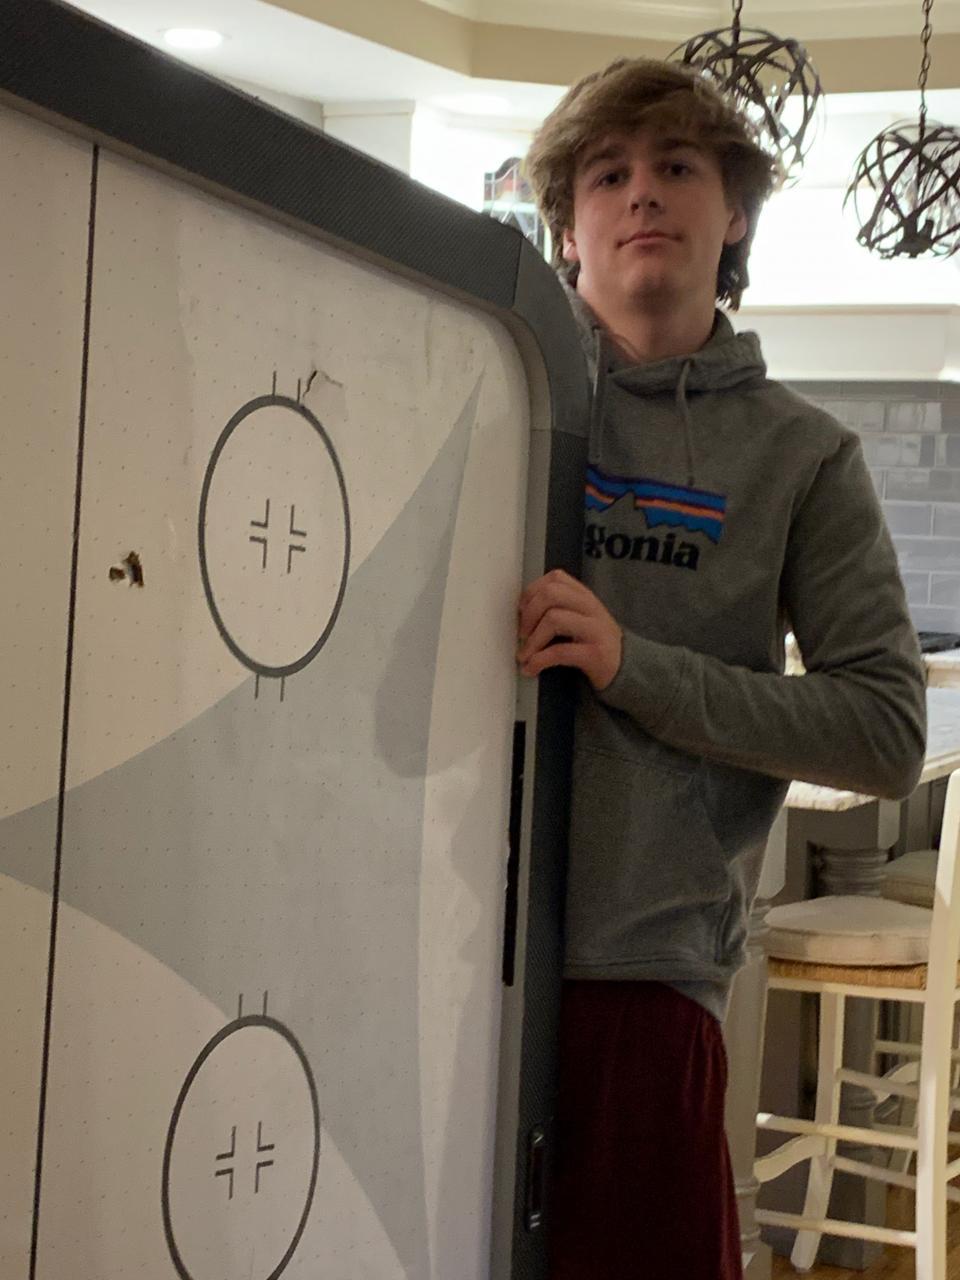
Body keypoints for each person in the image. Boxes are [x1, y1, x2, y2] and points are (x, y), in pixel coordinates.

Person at [516, 58, 927, 1280]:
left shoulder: (805, 454)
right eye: (608, 173)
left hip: (641, 973)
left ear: (734, 213)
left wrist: (633, 664)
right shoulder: (481, 392)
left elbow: (884, 731)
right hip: (439, 944)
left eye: (678, 166)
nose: (642, 192)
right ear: (567, 227)